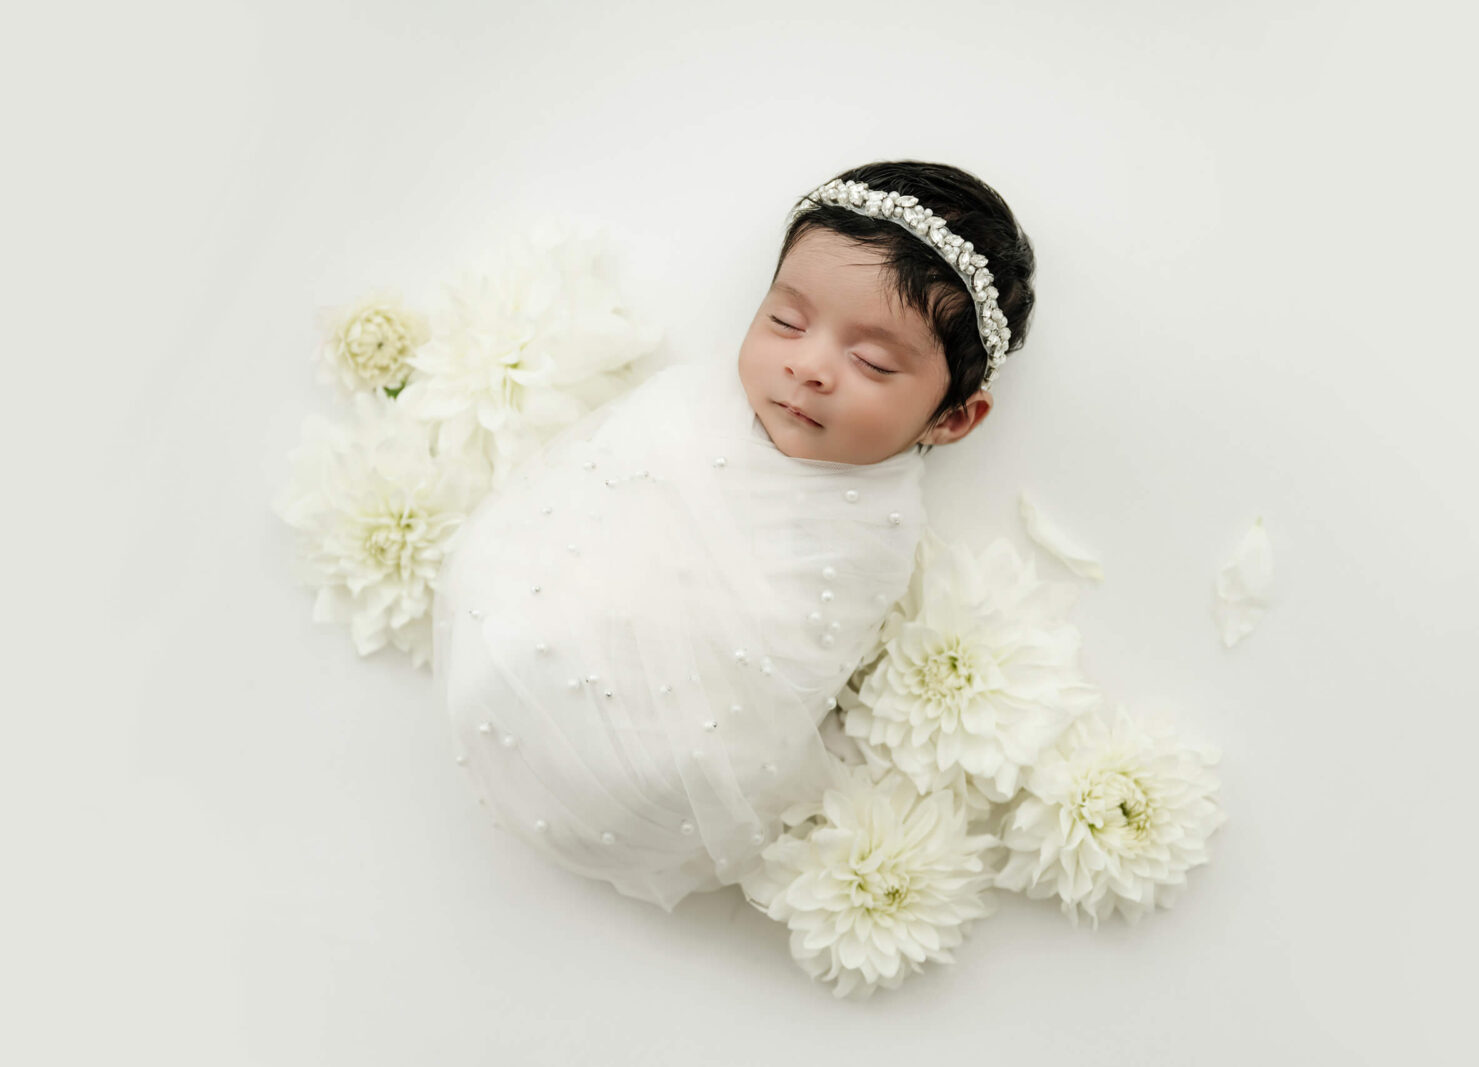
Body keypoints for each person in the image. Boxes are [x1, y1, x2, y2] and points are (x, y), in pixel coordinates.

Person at [431, 160, 1037, 912]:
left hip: (658, 763)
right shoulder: (690, 406)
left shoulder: (873, 534)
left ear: (952, 419)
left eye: (873, 361)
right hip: (525, 650)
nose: (808, 365)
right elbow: (588, 494)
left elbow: (790, 656)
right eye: (785, 320)